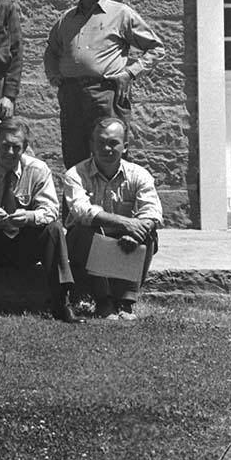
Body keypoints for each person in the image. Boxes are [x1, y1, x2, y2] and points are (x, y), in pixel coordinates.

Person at [0, 120, 79, 324]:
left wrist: (30, 217)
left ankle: (62, 302)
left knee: (54, 229)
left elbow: (51, 210)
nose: (10, 152)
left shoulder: (38, 170)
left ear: (25, 148)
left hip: (24, 244)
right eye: (5, 145)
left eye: (16, 147)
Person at [44, 0, 165, 168]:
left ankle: (114, 202)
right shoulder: (66, 18)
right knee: (74, 158)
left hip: (106, 94)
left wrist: (130, 73)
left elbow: (156, 48)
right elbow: (51, 51)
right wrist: (54, 75)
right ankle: (76, 202)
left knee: (110, 156)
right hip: (72, 96)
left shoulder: (121, 14)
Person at [63, 117, 162, 320]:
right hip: (86, 241)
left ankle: (126, 301)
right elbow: (83, 212)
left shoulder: (139, 174)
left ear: (124, 147)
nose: (107, 148)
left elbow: (152, 212)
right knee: (85, 231)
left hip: (125, 240)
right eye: (101, 142)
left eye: (113, 143)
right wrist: (126, 223)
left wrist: (136, 233)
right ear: (91, 145)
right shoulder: (75, 174)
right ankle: (104, 300)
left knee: (150, 232)